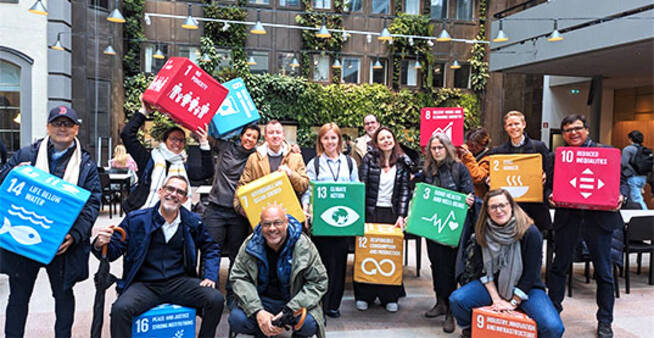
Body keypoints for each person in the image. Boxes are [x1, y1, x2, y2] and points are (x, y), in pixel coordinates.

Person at [0, 106, 102, 338]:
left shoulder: (86, 165)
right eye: (57, 123)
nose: (62, 128)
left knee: (64, 297)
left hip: (62, 245)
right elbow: (2, 185)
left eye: (68, 124)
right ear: (48, 127)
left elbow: (92, 204)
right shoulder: (26, 155)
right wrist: (12, 173)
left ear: (76, 129)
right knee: (18, 297)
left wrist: (75, 235)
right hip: (24, 243)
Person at [94, 175, 225, 338]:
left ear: (184, 199)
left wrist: (210, 276)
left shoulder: (193, 222)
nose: (173, 194)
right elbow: (113, 250)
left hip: (179, 282)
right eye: (170, 189)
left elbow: (211, 247)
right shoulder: (136, 220)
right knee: (120, 310)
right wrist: (100, 243)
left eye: (180, 192)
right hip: (144, 284)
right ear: (161, 192)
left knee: (216, 299)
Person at [547, 114, 628, 338]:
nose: (573, 133)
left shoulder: (607, 153)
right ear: (562, 134)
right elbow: (548, 187)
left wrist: (621, 196)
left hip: (599, 221)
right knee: (558, 268)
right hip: (568, 220)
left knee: (604, 273)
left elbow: (623, 182)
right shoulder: (557, 157)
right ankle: (552, 313)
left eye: (577, 128)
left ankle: (605, 321)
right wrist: (550, 196)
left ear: (587, 130)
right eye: (567, 130)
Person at [449, 189, 564, 338]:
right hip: (493, 285)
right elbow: (483, 270)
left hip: (527, 288)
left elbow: (531, 274)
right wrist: (496, 300)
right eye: (493, 207)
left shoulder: (530, 232)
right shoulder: (482, 232)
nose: (499, 210)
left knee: (554, 328)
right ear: (487, 211)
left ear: (511, 206)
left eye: (503, 205)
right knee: (457, 300)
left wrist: (512, 303)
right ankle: (472, 330)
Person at [229, 204, 328, 338]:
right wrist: (258, 311)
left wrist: (290, 310)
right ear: (260, 225)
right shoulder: (251, 244)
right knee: (237, 319)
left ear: (286, 223)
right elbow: (238, 277)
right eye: (267, 224)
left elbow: (319, 282)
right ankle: (264, 330)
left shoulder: (303, 245)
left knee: (309, 323)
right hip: (262, 299)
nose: (272, 228)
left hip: (294, 299)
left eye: (277, 223)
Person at [416, 133, 475, 333]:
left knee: (450, 269)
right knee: (436, 266)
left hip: (452, 229)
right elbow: (419, 192)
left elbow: (470, 195)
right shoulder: (427, 171)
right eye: (433, 148)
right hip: (432, 228)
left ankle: (451, 311)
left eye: (440, 147)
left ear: (447, 148)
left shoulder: (460, 169)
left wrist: (469, 201)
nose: (437, 151)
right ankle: (440, 301)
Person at [301, 123, 358, 318]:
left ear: (339, 140)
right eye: (326, 138)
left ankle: (334, 304)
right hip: (322, 222)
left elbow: (355, 190)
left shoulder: (349, 163)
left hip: (342, 222)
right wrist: (305, 211)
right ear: (321, 141)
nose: (330, 142)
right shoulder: (314, 164)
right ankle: (320, 304)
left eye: (333, 138)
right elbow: (307, 192)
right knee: (321, 265)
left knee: (340, 264)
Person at [120, 94, 214, 212]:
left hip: (174, 215)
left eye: (181, 140)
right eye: (173, 139)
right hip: (144, 212)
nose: (177, 143)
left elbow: (207, 172)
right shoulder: (149, 159)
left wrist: (204, 142)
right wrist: (143, 111)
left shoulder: (183, 166)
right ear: (164, 141)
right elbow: (127, 135)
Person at [203, 124, 260, 307]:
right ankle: (208, 294)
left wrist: (293, 149)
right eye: (247, 135)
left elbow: (278, 151)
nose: (250, 139)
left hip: (239, 212)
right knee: (211, 251)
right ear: (241, 135)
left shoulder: (256, 156)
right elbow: (208, 138)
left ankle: (232, 295)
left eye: (254, 137)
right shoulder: (226, 147)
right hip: (216, 208)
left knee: (237, 256)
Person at [356, 126, 412, 313]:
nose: (386, 140)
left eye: (389, 137)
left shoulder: (403, 162)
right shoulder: (369, 160)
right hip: (371, 212)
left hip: (392, 214)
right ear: (376, 142)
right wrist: (360, 216)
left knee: (389, 254)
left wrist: (401, 216)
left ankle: (390, 296)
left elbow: (405, 191)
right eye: (382, 138)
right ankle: (365, 295)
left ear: (394, 140)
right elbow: (361, 187)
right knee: (368, 253)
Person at [487, 111, 553, 232]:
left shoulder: (538, 147)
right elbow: (493, 176)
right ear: (505, 128)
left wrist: (545, 177)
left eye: (516, 124)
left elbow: (550, 172)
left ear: (523, 124)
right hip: (511, 207)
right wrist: (491, 180)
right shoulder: (499, 151)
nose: (513, 128)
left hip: (535, 207)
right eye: (510, 125)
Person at [234, 120, 309, 216]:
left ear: (283, 135)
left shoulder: (296, 157)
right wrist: (240, 207)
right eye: (270, 133)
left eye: (278, 132)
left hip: (290, 217)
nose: (275, 136)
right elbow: (243, 185)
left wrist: (290, 174)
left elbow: (304, 186)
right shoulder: (254, 158)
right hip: (262, 217)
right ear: (265, 137)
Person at [458, 127, 491, 198]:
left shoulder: (487, 159)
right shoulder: (464, 154)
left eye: (473, 145)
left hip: (477, 199)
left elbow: (478, 177)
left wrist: (468, 157)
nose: (470, 147)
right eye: (468, 144)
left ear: (482, 145)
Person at [621, 130, 649, 210]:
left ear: (630, 139)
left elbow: (623, 164)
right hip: (643, 177)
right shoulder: (644, 149)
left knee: (637, 199)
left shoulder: (628, 149)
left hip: (633, 178)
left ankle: (645, 216)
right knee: (638, 197)